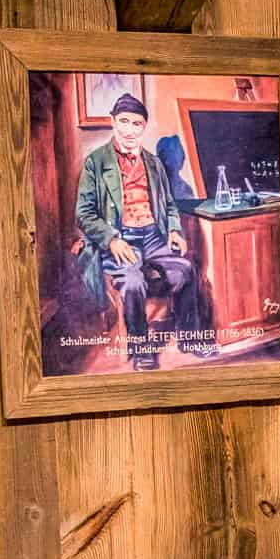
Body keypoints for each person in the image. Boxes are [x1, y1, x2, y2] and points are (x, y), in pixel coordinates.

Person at [75, 93, 211, 369]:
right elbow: (84, 213)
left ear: (143, 128)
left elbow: (169, 205)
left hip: (152, 236)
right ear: (113, 122)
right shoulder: (95, 162)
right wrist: (111, 239)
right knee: (134, 282)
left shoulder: (154, 163)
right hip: (120, 237)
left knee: (186, 270)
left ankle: (191, 339)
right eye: (123, 121)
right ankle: (140, 350)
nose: (129, 129)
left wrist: (174, 230)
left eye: (137, 124)